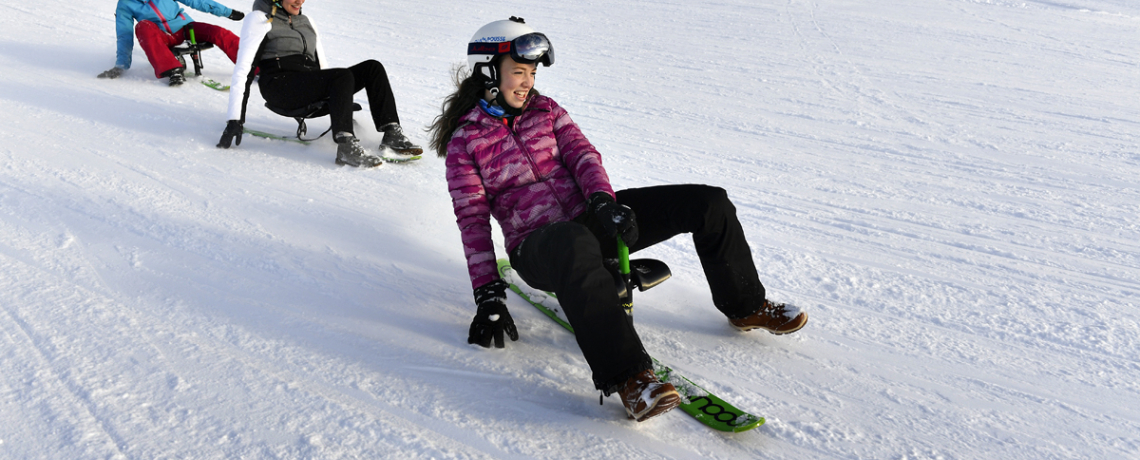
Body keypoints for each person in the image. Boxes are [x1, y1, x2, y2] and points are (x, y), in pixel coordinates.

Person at [428, 17, 809, 423]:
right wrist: (488, 294)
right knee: (572, 241)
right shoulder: (466, 142)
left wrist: (603, 202)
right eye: (518, 72)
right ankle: (631, 380)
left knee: (707, 202)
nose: (527, 82)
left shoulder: (546, 110)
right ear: (488, 73)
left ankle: (745, 305)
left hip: (589, 221)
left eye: (532, 73)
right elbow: (471, 221)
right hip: (540, 247)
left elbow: (583, 156)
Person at [216, 0, 421, 167]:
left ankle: (391, 132)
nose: (300, 1)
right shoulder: (259, 19)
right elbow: (244, 70)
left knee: (372, 68)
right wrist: (235, 120)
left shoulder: (306, 20)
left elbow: (323, 68)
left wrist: (337, 101)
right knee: (341, 76)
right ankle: (346, 147)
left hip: (306, 82)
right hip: (280, 86)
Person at [98, 0, 245, 86]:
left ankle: (254, 66)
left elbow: (197, 1)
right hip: (162, 37)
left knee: (218, 32)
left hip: (186, 28)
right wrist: (121, 65)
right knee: (143, 26)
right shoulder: (125, 4)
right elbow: (125, 35)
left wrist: (227, 12)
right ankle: (172, 69)